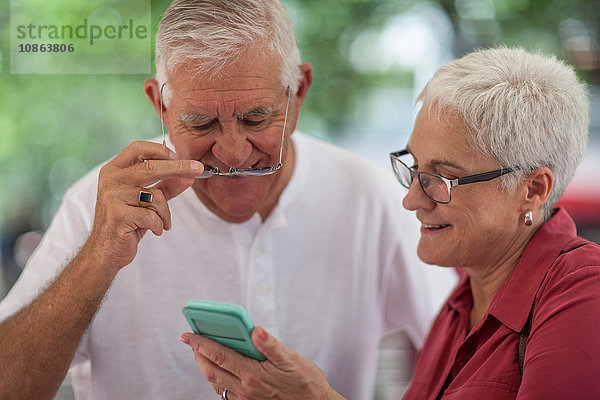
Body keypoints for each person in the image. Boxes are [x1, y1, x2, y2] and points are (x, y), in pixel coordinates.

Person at [0, 1, 456, 399]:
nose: (233, 154)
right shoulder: (97, 206)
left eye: (257, 118)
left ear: (298, 93)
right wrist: (97, 257)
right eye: (200, 124)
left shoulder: (367, 194)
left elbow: (463, 357)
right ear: (159, 104)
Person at [179, 46, 600, 400]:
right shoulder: (460, 305)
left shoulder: (583, 295)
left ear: (534, 189)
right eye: (414, 168)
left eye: (440, 178)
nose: (411, 198)